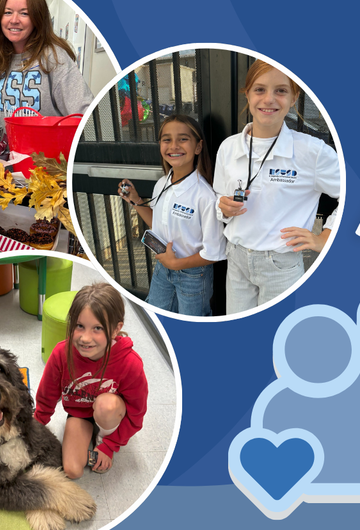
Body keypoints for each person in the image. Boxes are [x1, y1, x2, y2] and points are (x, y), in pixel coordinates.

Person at [213, 60, 341, 314]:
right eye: (259, 89)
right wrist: (223, 208)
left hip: (280, 266)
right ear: (247, 93)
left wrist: (324, 237)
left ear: (294, 97)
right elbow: (218, 197)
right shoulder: (228, 147)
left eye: (281, 90)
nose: (269, 99)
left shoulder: (312, 152)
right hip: (236, 260)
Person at [34, 282, 148, 478]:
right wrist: (35, 426)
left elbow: (137, 414)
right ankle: (92, 432)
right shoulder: (62, 353)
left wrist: (110, 446)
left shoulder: (130, 364)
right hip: (79, 413)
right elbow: (47, 395)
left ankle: (103, 438)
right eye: (79, 326)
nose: (85, 338)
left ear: (116, 329)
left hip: (110, 413)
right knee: (72, 470)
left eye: (97, 328)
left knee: (106, 405)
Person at [119, 115, 225, 316]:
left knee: (191, 323)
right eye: (167, 139)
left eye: (183, 139)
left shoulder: (205, 196)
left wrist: (176, 264)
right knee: (157, 316)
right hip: (162, 269)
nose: (174, 146)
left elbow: (214, 251)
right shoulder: (162, 184)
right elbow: (158, 225)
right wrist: (135, 200)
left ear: (198, 147)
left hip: (193, 276)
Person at [0, 0, 93, 125]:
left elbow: (86, 115)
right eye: (8, 12)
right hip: (0, 147)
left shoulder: (54, 57)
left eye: (24, 13)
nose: (14, 20)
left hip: (44, 147)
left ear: (37, 19)